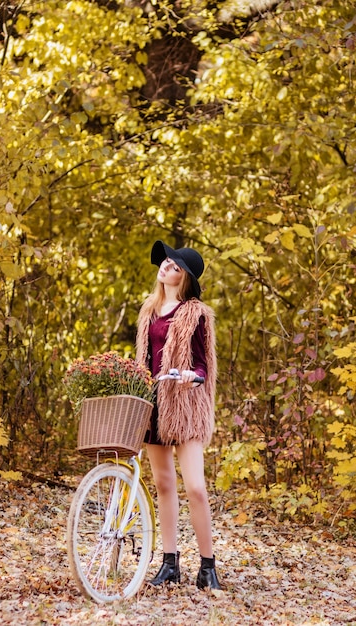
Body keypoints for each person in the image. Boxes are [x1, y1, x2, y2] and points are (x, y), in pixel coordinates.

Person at [135, 240, 221, 590]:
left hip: (185, 407)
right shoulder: (149, 311)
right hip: (153, 403)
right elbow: (143, 358)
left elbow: (203, 363)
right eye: (164, 263)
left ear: (183, 277)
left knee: (196, 488)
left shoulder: (195, 313)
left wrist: (192, 376)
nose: (165, 267)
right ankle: (169, 563)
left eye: (173, 265)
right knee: (163, 484)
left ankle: (208, 565)